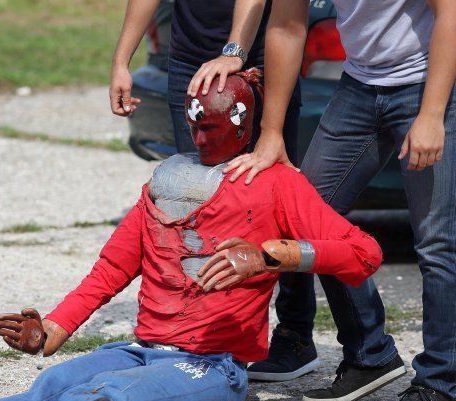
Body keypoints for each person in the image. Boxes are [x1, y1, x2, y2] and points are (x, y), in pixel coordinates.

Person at [0, 73, 383, 401]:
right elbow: (113, 268)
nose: (199, 136)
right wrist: (54, 328)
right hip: (141, 347)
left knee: (109, 393)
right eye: (194, 124)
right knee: (57, 381)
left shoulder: (275, 184)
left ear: (241, 123)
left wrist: (277, 255)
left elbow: (364, 253)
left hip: (212, 367)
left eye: (211, 126)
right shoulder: (167, 180)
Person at [225, 0, 456, 401]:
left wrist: (432, 114)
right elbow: (286, 25)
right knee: (310, 218)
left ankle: (437, 386)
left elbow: (452, 11)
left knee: (438, 239)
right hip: (362, 82)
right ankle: (370, 354)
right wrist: (270, 134)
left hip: (433, 76)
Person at [110, 1, 318, 379]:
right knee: (198, 197)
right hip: (189, 62)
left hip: (257, 57)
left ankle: (295, 334)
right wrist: (121, 60)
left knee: (275, 198)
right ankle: (203, 332)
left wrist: (234, 50)